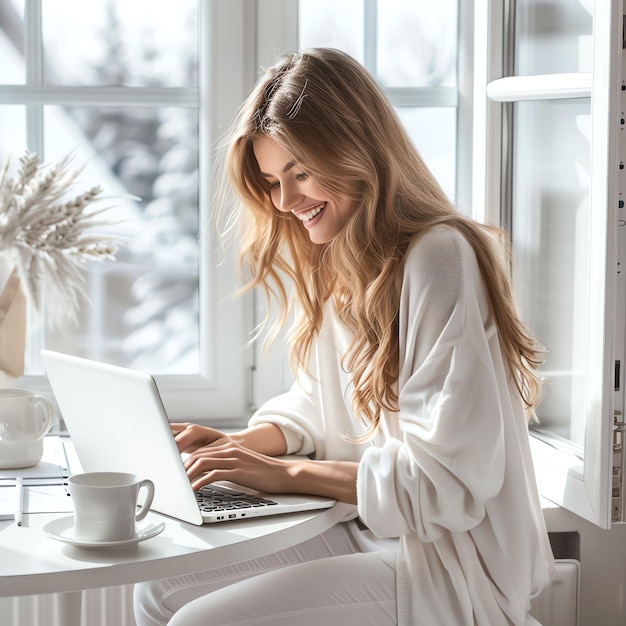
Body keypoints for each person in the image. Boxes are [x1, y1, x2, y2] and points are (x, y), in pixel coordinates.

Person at [134, 47, 555, 626]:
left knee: (196, 622)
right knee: (156, 594)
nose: (285, 202)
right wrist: (247, 443)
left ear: (356, 148)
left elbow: (445, 488)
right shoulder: (343, 257)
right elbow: (318, 400)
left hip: (450, 568)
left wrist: (283, 475)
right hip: (366, 531)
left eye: (300, 172)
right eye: (272, 180)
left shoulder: (439, 256)